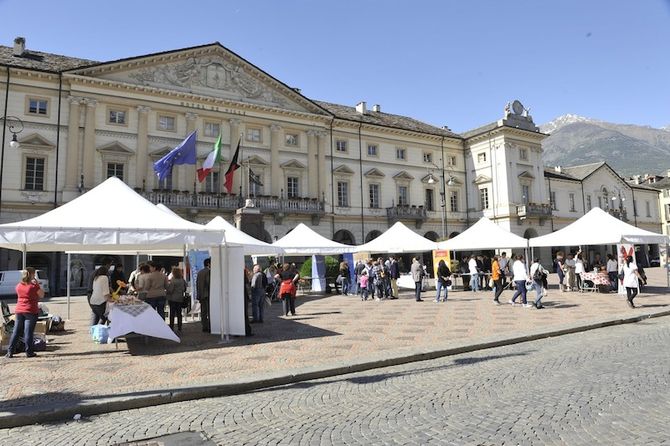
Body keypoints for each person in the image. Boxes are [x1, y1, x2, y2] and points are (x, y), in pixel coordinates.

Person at [5, 268, 45, 358]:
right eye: (34, 274)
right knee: (28, 332)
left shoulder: (18, 285)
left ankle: (10, 351)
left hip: (19, 310)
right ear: (31, 275)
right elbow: (42, 295)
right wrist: (37, 284)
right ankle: (29, 352)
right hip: (30, 310)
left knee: (16, 331)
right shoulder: (33, 286)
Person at [166, 267, 187, 333]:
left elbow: (170, 290)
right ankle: (179, 327)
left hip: (172, 298)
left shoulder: (173, 280)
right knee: (179, 313)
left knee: (172, 313)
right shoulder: (182, 280)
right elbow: (185, 288)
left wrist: (167, 290)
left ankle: (171, 326)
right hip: (180, 298)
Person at [196, 258, 211, 332]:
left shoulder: (199, 272)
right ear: (208, 264)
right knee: (209, 311)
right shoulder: (208, 272)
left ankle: (204, 326)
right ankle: (210, 326)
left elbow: (197, 284)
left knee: (203, 311)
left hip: (201, 294)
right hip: (208, 294)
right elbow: (209, 283)